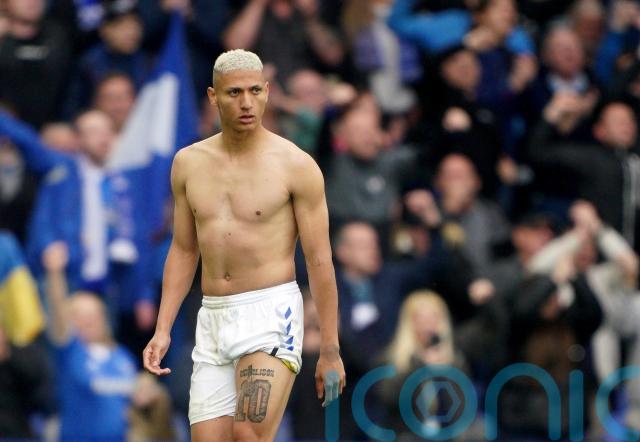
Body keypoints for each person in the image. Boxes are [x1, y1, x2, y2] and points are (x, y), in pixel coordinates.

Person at [143, 49, 345, 442]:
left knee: (248, 434)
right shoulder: (188, 163)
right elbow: (184, 249)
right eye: (234, 92)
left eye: (255, 90)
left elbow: (320, 260)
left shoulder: (296, 165)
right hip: (213, 317)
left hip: (271, 313)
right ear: (213, 96)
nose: (247, 102)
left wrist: (330, 348)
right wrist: (162, 328)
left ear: (268, 91)